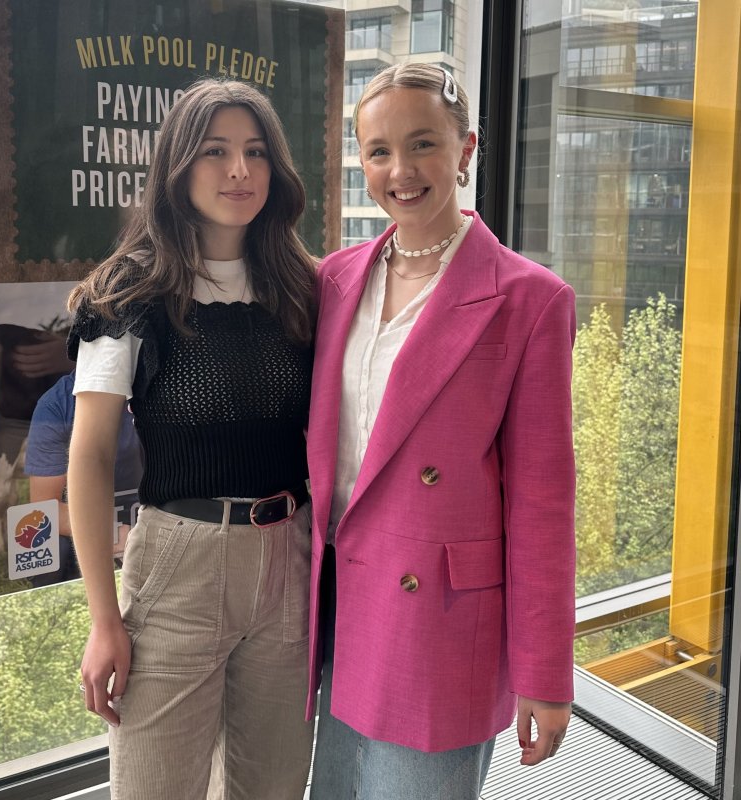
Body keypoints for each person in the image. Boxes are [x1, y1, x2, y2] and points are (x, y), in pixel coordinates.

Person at [306, 63, 576, 799]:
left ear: (466, 149)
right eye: (378, 151)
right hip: (339, 606)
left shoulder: (530, 299)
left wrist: (545, 674)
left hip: (441, 623)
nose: (401, 170)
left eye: (422, 143)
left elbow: (543, 505)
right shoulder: (333, 280)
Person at [66, 79, 316, 800]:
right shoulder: (129, 293)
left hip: (289, 560)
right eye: (215, 151)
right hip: (179, 567)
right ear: (177, 166)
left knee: (271, 788)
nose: (239, 170)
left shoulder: (301, 286)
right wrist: (104, 618)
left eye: (255, 152)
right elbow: (87, 458)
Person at [24, 371, 143, 587]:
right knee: (52, 548)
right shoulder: (55, 405)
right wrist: (118, 534)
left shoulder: (161, 386)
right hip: (90, 520)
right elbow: (44, 510)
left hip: (152, 511)